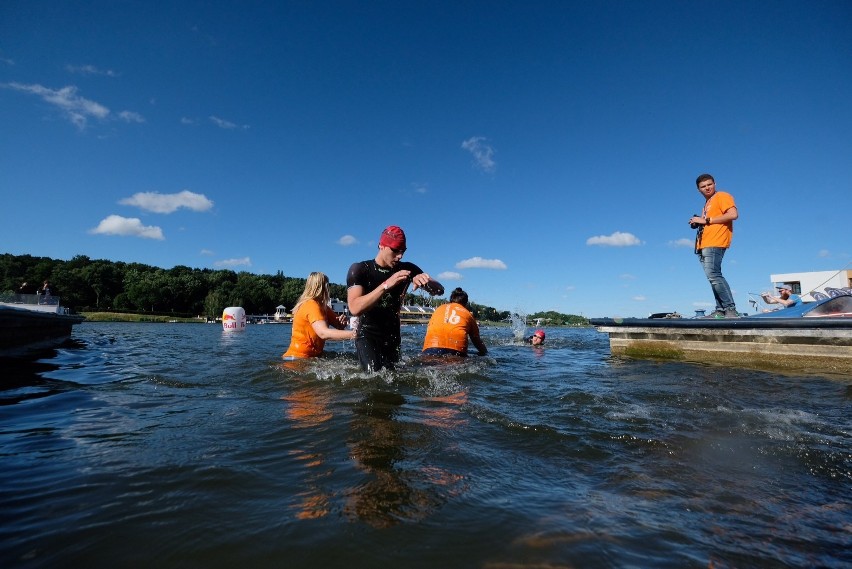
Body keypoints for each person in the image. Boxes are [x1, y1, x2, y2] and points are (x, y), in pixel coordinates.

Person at [347, 225, 444, 372]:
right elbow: (354, 308)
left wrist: (426, 281)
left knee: (394, 381)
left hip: (392, 336)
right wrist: (386, 285)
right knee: (373, 377)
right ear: (381, 245)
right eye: (395, 250)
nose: (400, 256)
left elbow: (439, 291)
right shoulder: (360, 269)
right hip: (368, 335)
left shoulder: (407, 268)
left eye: (402, 251)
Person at [688, 174, 739, 319]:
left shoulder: (722, 196)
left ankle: (730, 309)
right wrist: (699, 221)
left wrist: (707, 220)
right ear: (699, 190)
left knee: (714, 275)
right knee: (712, 277)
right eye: (703, 186)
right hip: (704, 243)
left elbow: (733, 214)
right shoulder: (707, 203)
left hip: (715, 242)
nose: (707, 188)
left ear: (715, 184)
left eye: (709, 184)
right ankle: (721, 310)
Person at [282, 272, 355, 360]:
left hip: (310, 357)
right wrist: (354, 334)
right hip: (297, 358)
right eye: (328, 285)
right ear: (323, 287)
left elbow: (339, 326)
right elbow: (323, 333)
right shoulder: (311, 305)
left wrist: (342, 323)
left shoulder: (323, 307)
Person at [422, 287, 487, 357]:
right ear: (466, 303)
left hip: (430, 349)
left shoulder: (438, 309)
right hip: (456, 352)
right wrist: (486, 353)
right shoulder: (468, 314)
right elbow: (477, 341)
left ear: (450, 300)